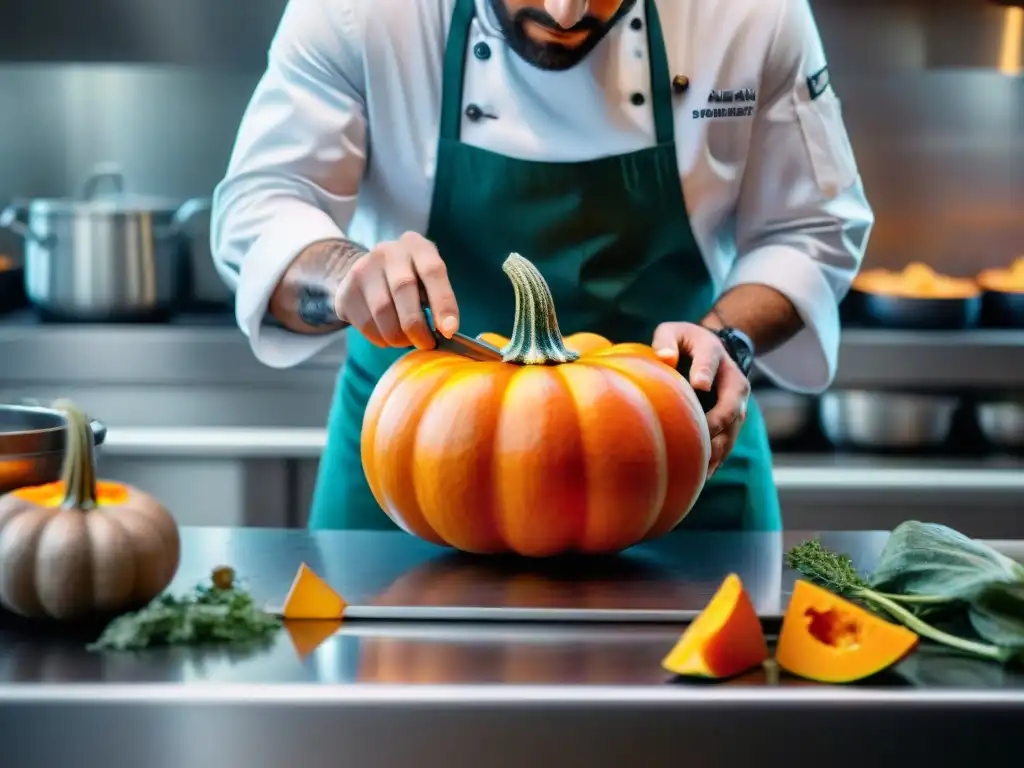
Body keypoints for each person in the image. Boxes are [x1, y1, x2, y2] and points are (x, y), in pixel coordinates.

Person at [211, 0, 873, 533]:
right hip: (414, 461)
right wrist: (344, 274)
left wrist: (727, 339)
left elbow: (811, 228)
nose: (564, 13)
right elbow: (260, 209)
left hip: (676, 449)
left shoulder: (753, 14)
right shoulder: (359, 12)